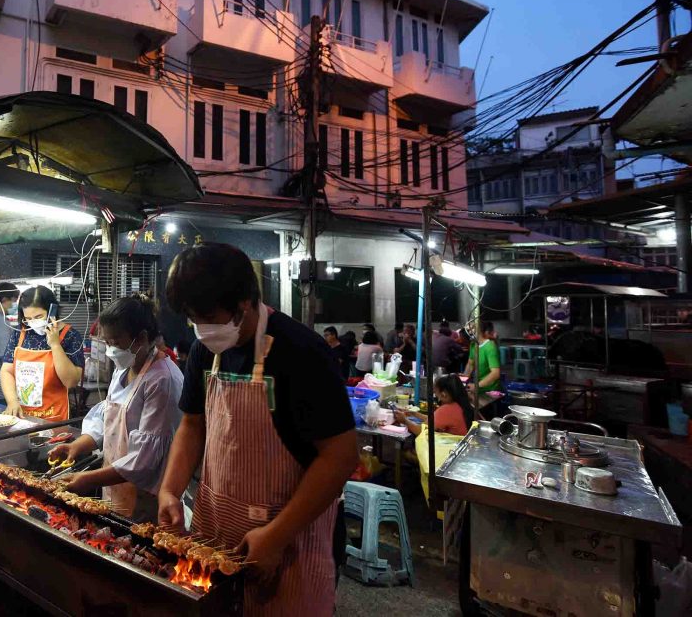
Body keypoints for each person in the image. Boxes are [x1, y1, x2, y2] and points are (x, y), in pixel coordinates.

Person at [157, 243, 356, 616]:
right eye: (192, 318)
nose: (202, 328)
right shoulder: (203, 350)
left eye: (210, 317)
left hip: (292, 539)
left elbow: (340, 457)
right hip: (215, 528)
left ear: (245, 302)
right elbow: (192, 424)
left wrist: (277, 536)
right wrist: (170, 488)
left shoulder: (301, 351)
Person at [49, 295, 183, 521]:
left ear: (141, 338)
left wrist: (88, 478)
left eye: (115, 342)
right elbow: (107, 418)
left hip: (145, 495)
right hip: (114, 484)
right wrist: (77, 446)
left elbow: (144, 461)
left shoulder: (163, 381)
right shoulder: (124, 369)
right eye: (107, 342)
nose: (110, 350)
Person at [1, 285, 83, 421]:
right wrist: (12, 401)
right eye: (28, 318)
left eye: (38, 316)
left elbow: (71, 382)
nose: (33, 322)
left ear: (52, 310)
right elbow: (7, 371)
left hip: (53, 417)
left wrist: (55, 344)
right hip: (22, 415)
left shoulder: (71, 335)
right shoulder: (20, 333)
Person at [394, 374, 473, 436]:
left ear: (443, 394)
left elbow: (421, 431)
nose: (436, 396)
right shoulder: (460, 404)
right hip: (459, 446)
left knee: (407, 452)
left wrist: (405, 421)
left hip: (449, 450)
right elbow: (434, 420)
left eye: (436, 393)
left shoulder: (446, 409)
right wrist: (414, 414)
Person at [464, 321, 502, 394]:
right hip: (477, 385)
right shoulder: (473, 345)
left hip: (490, 389)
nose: (469, 333)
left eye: (471, 329)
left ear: (479, 330)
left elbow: (495, 373)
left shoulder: (490, 347)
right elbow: (470, 364)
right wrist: (463, 379)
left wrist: (477, 385)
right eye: (467, 330)